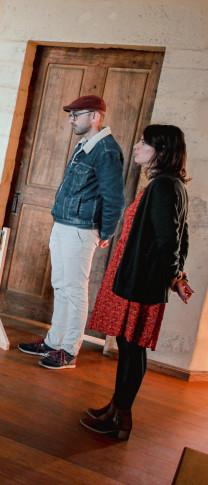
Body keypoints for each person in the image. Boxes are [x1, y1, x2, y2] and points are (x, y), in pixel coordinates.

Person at [80, 124, 192, 440]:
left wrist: (173, 275)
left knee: (132, 349)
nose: (138, 145)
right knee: (131, 348)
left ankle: (121, 419)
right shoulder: (169, 185)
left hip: (142, 282)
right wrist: (175, 274)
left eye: (145, 142)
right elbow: (183, 238)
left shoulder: (163, 188)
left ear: (162, 151)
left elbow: (169, 240)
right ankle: (116, 406)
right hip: (143, 279)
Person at [18, 95, 125, 369]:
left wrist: (106, 232)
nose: (71, 120)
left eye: (76, 115)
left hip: (81, 229)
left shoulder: (107, 150)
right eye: (71, 115)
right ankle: (54, 341)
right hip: (63, 224)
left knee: (75, 289)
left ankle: (69, 351)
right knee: (60, 286)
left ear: (95, 116)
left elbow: (114, 198)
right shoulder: (85, 146)